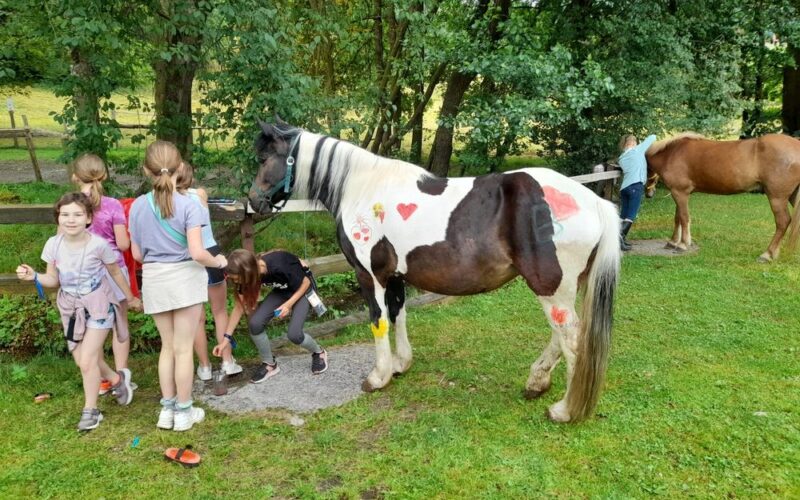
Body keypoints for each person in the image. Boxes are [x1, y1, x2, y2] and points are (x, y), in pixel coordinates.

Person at [16, 192, 142, 431]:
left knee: (87, 360)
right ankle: (117, 379)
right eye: (65, 215)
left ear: (88, 218)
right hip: (70, 308)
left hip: (98, 305)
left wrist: (130, 297)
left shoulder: (98, 245)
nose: (71, 220)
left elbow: (115, 272)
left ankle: (90, 411)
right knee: (81, 359)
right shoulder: (53, 245)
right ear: (58, 218)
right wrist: (34, 276)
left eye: (77, 214)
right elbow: (52, 279)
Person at [128, 141, 227, 432]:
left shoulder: (137, 206)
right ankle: (184, 411)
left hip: (155, 279)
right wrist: (218, 261)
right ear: (180, 167)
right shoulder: (190, 205)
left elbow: (136, 254)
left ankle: (167, 409)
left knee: (167, 347)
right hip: (185, 278)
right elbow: (198, 252)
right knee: (183, 350)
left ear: (146, 170)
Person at [212, 248, 328, 383]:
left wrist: (288, 305)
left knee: (294, 334)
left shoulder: (278, 264)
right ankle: (270, 364)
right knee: (255, 324)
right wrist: (225, 341)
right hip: (282, 291)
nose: (237, 282)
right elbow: (239, 308)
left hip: (303, 291)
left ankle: (319, 352)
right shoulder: (249, 275)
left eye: (237, 279)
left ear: (247, 271)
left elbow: (306, 282)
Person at [72, 153, 135, 396]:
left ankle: (101, 379)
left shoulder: (70, 206)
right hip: (113, 271)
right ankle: (122, 375)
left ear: (75, 177)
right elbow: (123, 244)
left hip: (84, 273)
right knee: (120, 324)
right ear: (104, 175)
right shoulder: (113, 205)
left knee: (92, 325)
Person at [175, 162, 242, 380]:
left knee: (197, 317)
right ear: (190, 176)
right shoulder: (199, 194)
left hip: (186, 257)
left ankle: (204, 367)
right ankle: (227, 361)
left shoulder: (166, 201)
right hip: (210, 252)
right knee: (219, 311)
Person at [618, 133, 657, 250]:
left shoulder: (621, 158)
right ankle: (618, 240)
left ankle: (621, 239)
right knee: (631, 215)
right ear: (633, 143)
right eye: (635, 142)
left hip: (624, 188)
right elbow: (652, 138)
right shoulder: (637, 150)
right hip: (636, 186)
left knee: (623, 215)